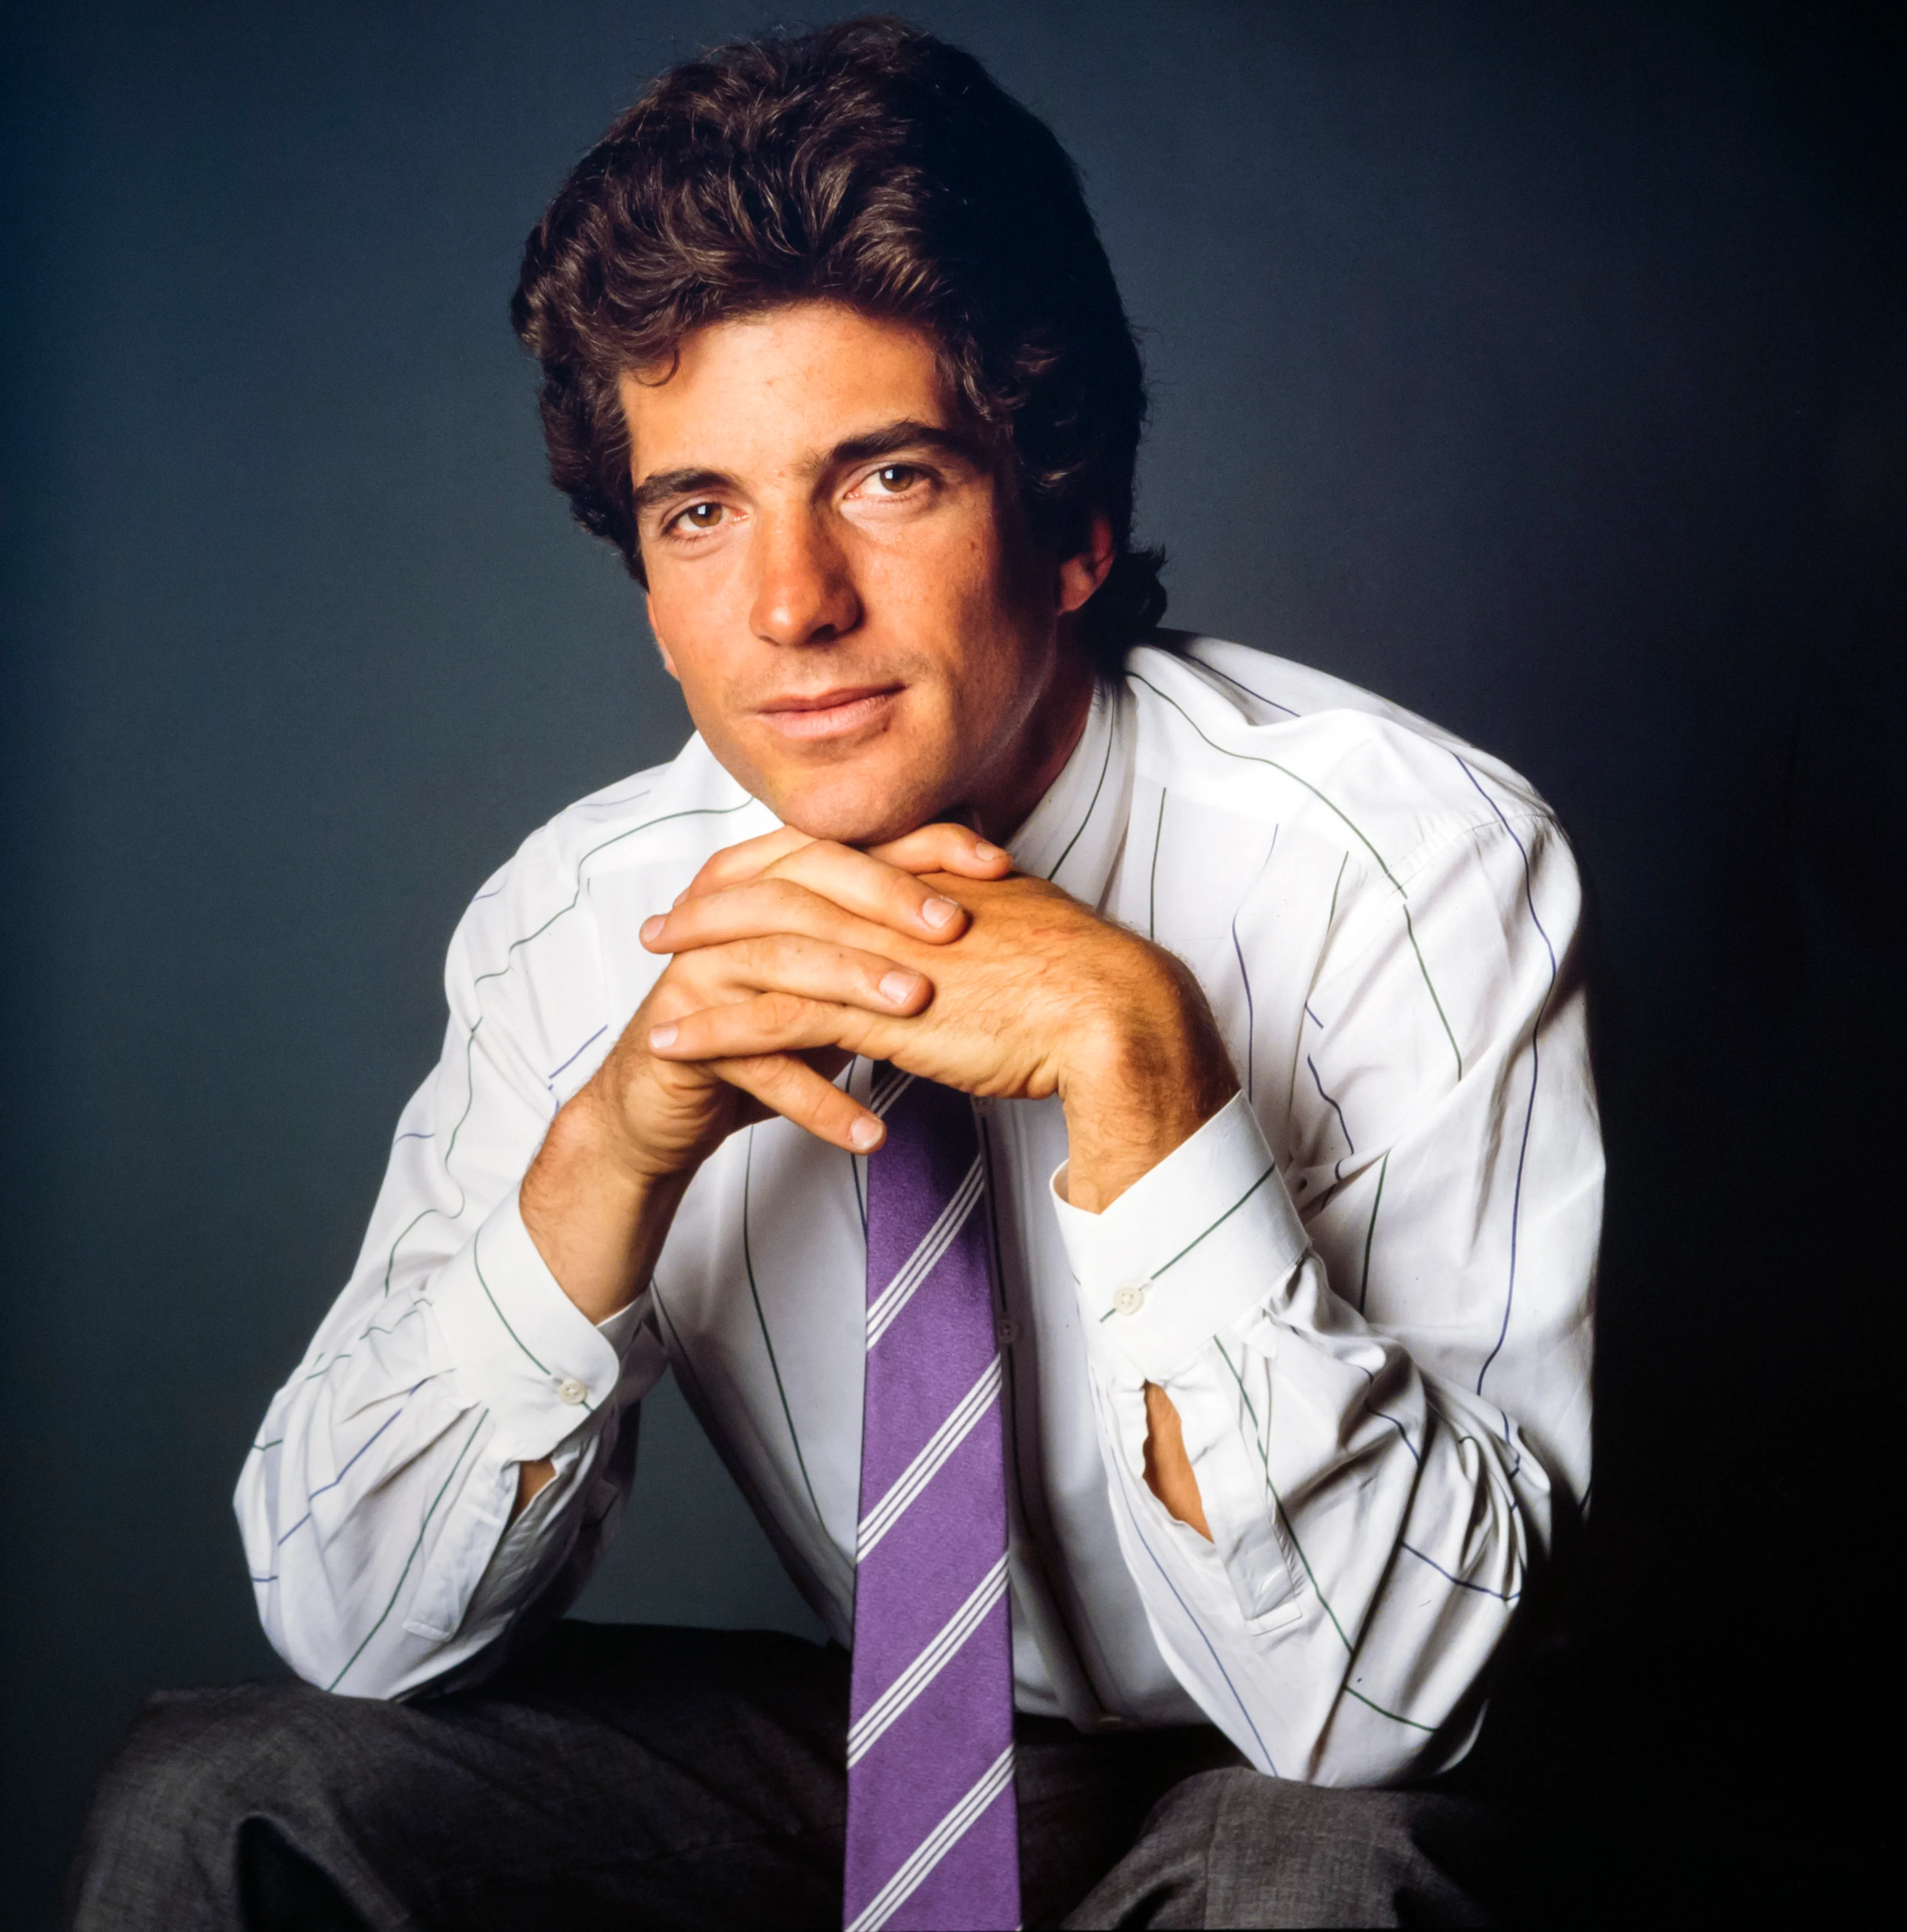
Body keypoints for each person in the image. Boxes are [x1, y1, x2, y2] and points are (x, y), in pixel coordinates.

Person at [68, 19, 1599, 1929]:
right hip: (906, 1743)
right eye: (697, 510)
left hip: (1303, 1751)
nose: (786, 604)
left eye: (884, 478)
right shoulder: (579, 920)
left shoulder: (1407, 862)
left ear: (1066, 519)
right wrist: (609, 1152)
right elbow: (353, 1624)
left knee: (1319, 1872)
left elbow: (1385, 1695)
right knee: (229, 1797)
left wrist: (1148, 1083)